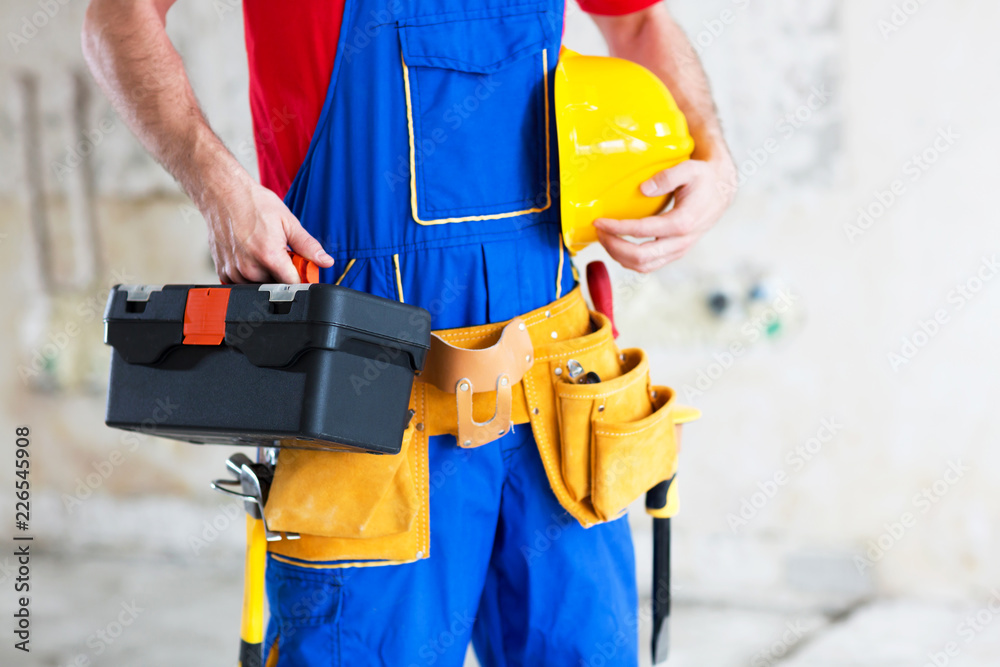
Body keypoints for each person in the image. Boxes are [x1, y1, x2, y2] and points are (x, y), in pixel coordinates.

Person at [83, 0, 735, 664]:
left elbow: (637, 20)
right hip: (365, 407)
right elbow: (118, 15)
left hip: (555, 407)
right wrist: (218, 186)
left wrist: (715, 158)